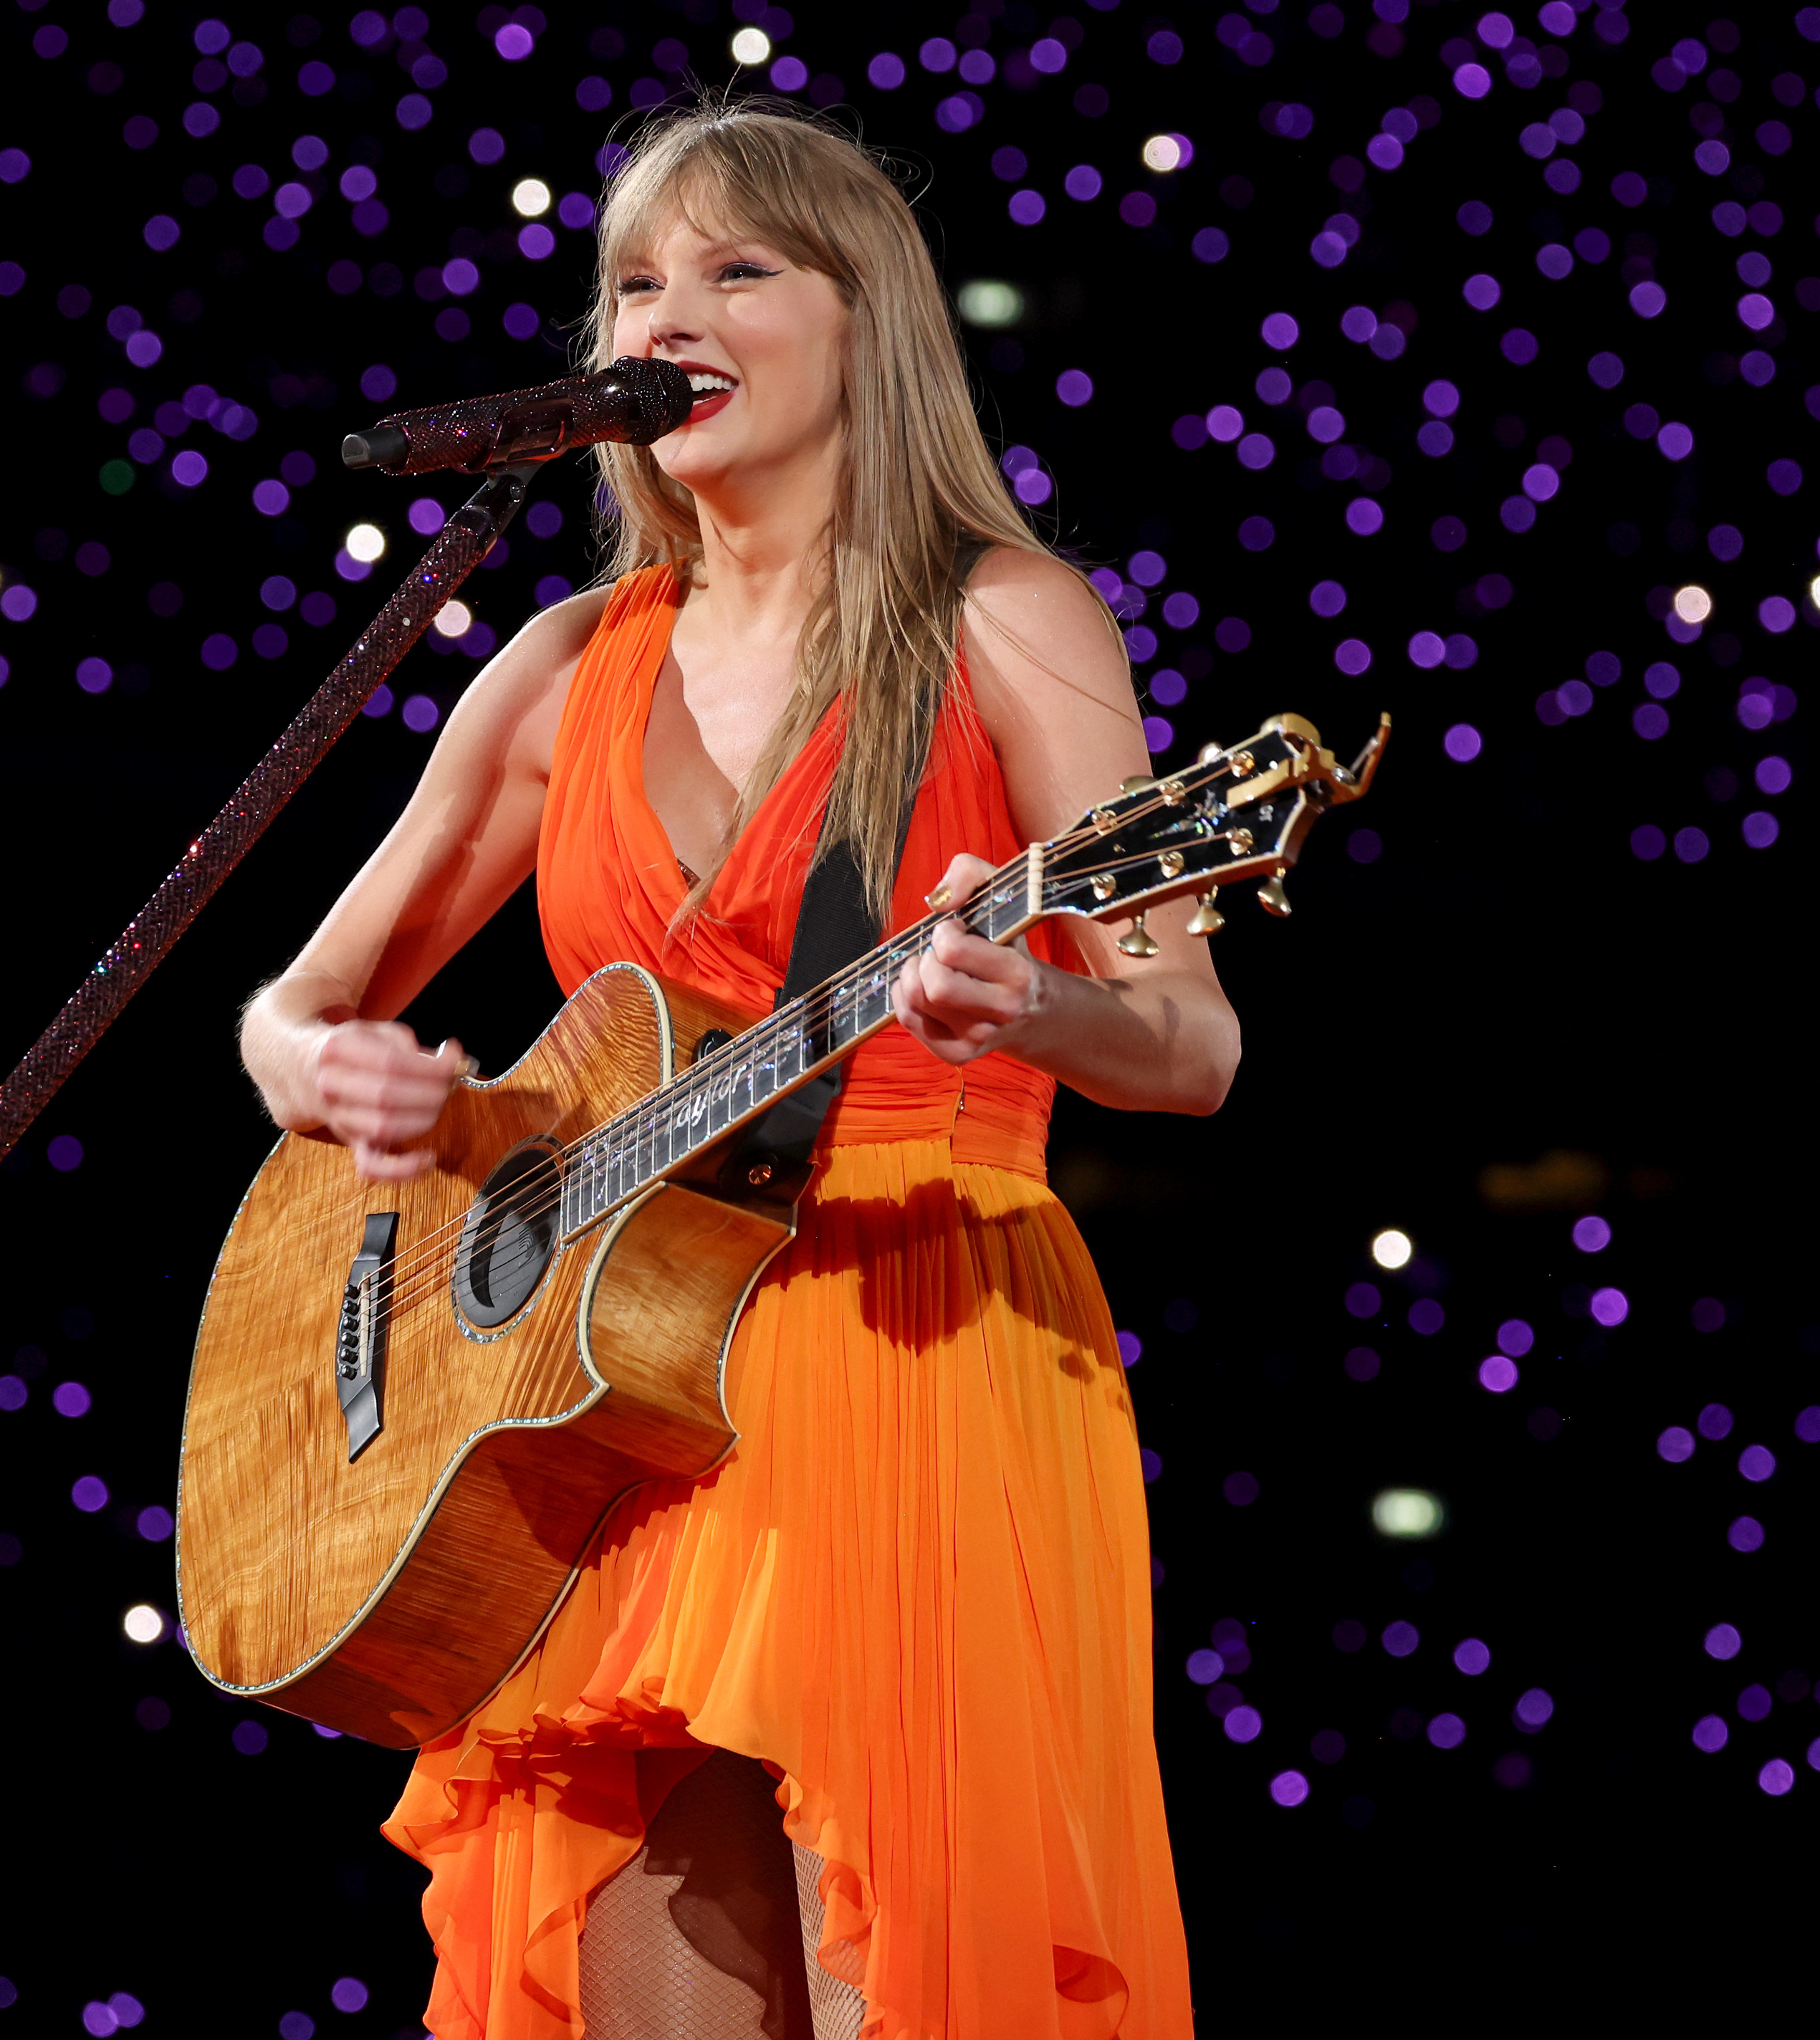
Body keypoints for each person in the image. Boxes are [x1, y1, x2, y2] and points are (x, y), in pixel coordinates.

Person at [240, 98, 1236, 2040]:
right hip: (597, 1411)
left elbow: (1192, 1045)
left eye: (736, 268)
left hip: (908, 1349)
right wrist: (327, 1076)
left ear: (870, 321)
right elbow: (292, 1005)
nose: (668, 310)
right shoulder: (557, 666)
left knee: (898, 1983)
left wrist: (1035, 1004)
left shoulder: (1005, 623)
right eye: (633, 278)